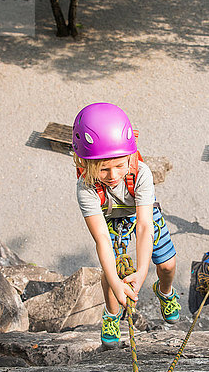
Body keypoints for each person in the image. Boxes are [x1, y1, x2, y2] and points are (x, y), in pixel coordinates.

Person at [73, 103, 180, 349]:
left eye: (120, 165)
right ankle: (111, 315)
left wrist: (142, 271)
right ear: (87, 164)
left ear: (130, 156)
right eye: (103, 169)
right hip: (109, 217)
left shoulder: (140, 173)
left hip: (140, 212)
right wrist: (116, 282)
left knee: (167, 264)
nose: (113, 175)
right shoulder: (86, 186)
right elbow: (101, 238)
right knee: (111, 276)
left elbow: (144, 225)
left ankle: (165, 291)